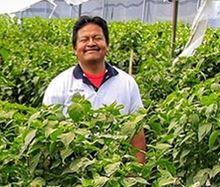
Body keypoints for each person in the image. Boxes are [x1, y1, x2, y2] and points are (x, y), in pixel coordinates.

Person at [42, 15, 146, 163]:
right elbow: (48, 132)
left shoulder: (126, 83)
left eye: (97, 38)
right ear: (74, 48)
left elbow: (137, 133)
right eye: (84, 40)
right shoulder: (59, 84)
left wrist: (136, 176)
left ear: (107, 44)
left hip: (117, 171)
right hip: (72, 172)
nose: (91, 43)